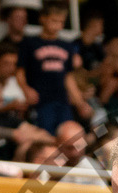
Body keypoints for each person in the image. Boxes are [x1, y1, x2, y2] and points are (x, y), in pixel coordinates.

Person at [17, 1, 90, 135]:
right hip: (40, 100)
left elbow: (68, 77)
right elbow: (20, 71)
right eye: (54, 20)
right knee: (45, 134)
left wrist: (80, 102)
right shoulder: (29, 43)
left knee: (69, 134)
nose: (57, 25)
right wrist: (26, 89)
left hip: (62, 100)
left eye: (61, 22)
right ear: (43, 18)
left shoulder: (67, 46)